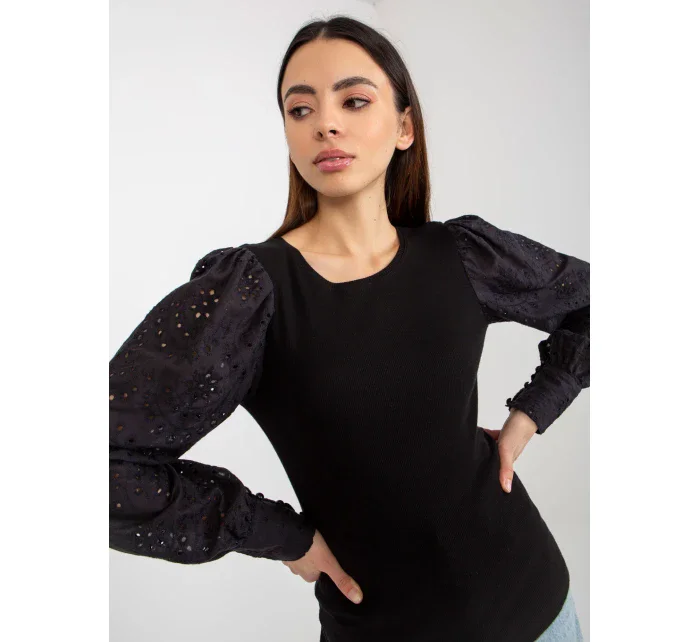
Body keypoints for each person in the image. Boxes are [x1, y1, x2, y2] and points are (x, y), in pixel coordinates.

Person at [109, 15, 588, 642]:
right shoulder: (247, 294)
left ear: (405, 127)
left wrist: (533, 411)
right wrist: (277, 534)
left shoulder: (464, 256)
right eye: (300, 109)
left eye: (354, 101)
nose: (325, 124)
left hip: (541, 610)